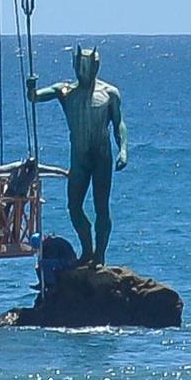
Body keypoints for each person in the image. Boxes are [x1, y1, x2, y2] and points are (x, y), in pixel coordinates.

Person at [26, 45, 127, 266]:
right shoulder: (65, 91)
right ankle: (87, 250)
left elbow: (119, 123)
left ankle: (99, 255)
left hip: (102, 157)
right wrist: (31, 88)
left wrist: (123, 149)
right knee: (74, 207)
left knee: (102, 207)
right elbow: (35, 97)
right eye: (80, 66)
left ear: (96, 66)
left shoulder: (110, 93)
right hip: (79, 158)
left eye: (88, 66)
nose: (84, 71)